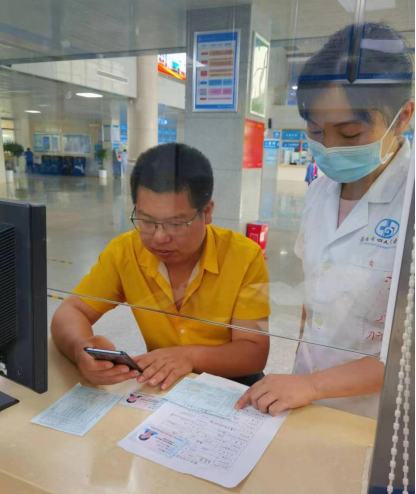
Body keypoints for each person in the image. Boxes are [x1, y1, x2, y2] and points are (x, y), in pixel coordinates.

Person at [236, 23, 415, 419]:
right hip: (305, 398)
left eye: (349, 133)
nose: (329, 148)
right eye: (316, 130)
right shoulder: (321, 190)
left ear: (403, 117)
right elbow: (313, 299)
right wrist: (302, 376)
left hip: (374, 413)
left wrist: (313, 385)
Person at [52, 143, 270, 391]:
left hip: (231, 386)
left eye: (176, 224)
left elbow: (254, 353)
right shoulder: (125, 252)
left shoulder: (243, 256)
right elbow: (71, 311)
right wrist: (80, 348)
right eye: (146, 221)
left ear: (207, 212)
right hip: (164, 387)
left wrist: (189, 356)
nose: (159, 238)